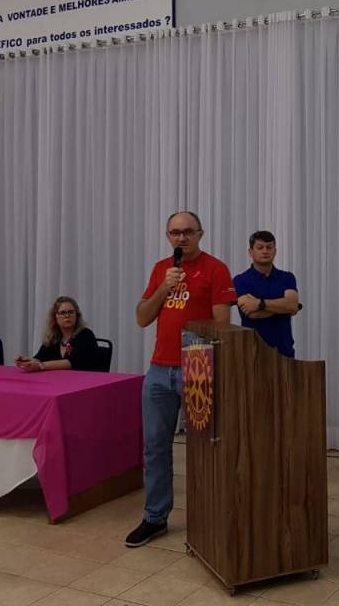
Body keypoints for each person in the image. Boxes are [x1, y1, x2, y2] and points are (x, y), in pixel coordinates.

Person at [125, 211, 236, 547]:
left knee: (205, 448)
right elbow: (142, 318)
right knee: (155, 447)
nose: (181, 238)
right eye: (175, 232)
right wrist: (164, 287)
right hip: (160, 369)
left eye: (188, 232)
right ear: (168, 236)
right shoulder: (162, 269)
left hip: (198, 367)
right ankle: (155, 517)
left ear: (200, 234)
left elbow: (222, 325)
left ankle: (209, 518)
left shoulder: (215, 269)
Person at [233, 230, 300, 358]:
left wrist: (260, 303)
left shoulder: (287, 277)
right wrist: (283, 307)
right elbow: (252, 314)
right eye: (260, 247)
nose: (265, 251)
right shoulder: (240, 280)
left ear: (275, 251)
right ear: (250, 252)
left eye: (269, 247)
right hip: (253, 352)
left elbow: (291, 305)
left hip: (284, 350)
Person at [15, 296, 99, 372]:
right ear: (55, 317)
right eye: (62, 313)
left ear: (77, 315)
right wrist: (27, 361)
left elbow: (72, 363)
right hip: (58, 381)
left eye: (71, 312)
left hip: (85, 380)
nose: (67, 315)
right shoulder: (53, 337)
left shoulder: (86, 334)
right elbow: (40, 358)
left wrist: (41, 366)